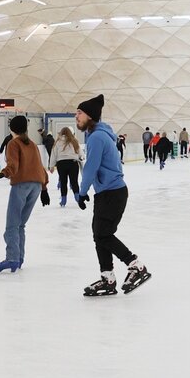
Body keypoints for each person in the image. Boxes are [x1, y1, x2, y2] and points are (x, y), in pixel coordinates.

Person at [75, 94, 151, 297]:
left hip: (111, 192)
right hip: (108, 192)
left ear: (90, 115)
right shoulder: (98, 134)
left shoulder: (97, 137)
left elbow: (91, 168)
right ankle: (108, 278)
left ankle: (136, 265)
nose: (76, 117)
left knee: (103, 235)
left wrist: (82, 193)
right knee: (99, 235)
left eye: (80, 113)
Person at [0, 115, 50, 272]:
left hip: (21, 185)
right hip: (36, 186)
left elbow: (13, 166)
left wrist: (0, 175)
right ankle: (19, 257)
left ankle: (12, 259)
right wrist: (44, 188)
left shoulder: (13, 143)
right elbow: (40, 167)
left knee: (12, 225)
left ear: (12, 128)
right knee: (20, 225)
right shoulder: (33, 145)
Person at [49, 127, 84, 206]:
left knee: (63, 182)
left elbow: (53, 154)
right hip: (73, 163)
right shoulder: (74, 141)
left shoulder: (57, 142)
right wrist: (81, 157)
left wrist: (51, 166)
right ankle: (78, 198)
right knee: (74, 182)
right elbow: (80, 153)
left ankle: (63, 201)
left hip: (61, 164)